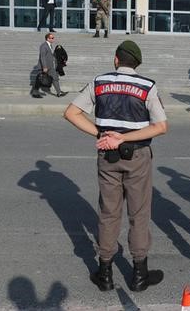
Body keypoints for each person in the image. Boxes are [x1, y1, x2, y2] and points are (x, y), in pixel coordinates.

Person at [64, 40, 168, 292]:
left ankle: (105, 272)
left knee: (108, 213)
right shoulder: (147, 86)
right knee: (139, 213)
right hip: (138, 155)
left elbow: (71, 113)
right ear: (138, 64)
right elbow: (161, 126)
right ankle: (139, 274)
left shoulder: (99, 82)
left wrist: (102, 135)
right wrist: (126, 137)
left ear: (116, 59)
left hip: (107, 154)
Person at [31, 33, 67, 98]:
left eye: (53, 37)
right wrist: (44, 66)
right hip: (45, 66)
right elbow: (43, 57)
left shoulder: (50, 45)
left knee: (55, 78)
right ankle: (35, 92)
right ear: (48, 38)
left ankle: (59, 92)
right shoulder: (43, 46)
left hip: (51, 66)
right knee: (39, 80)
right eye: (52, 38)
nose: (53, 39)